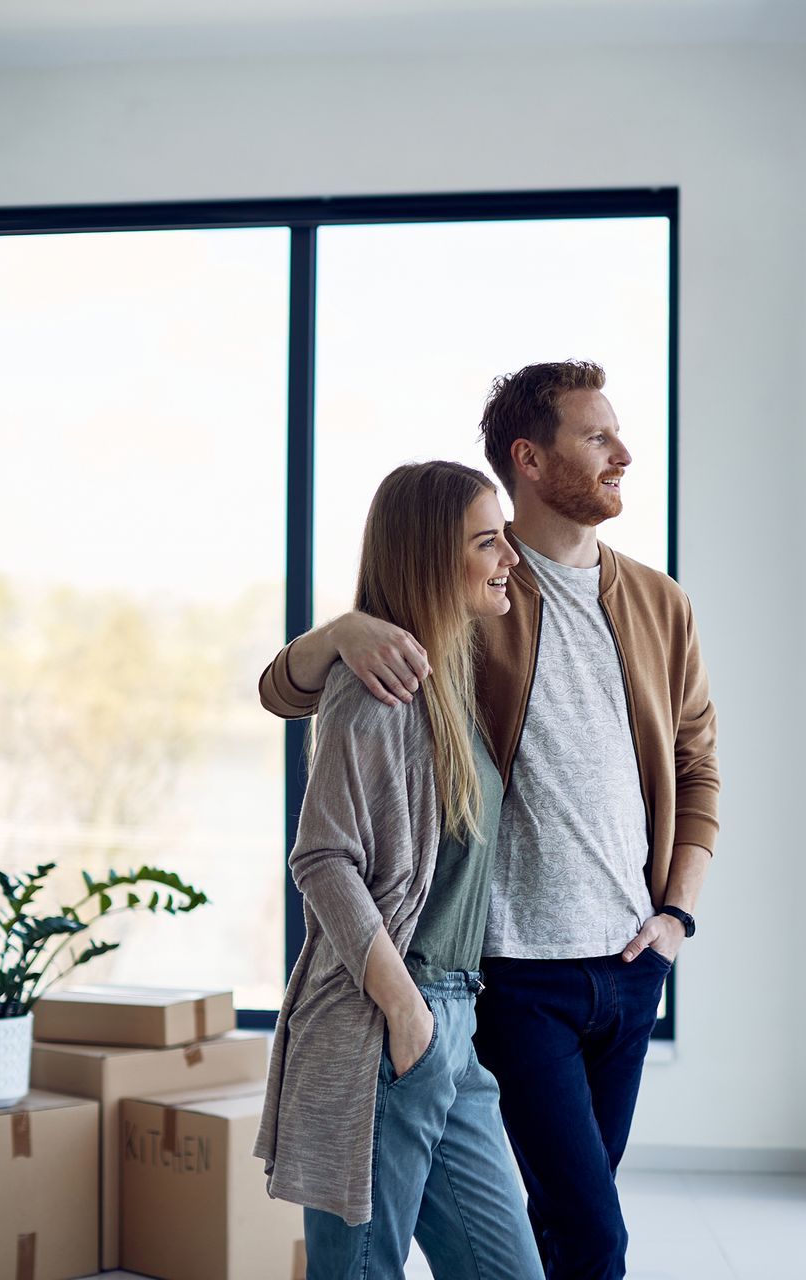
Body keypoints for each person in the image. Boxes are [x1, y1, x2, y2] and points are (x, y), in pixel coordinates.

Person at [258, 360, 720, 1280]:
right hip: (495, 978)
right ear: (532, 459)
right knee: (586, 1234)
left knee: (563, 1224)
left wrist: (675, 918)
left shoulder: (660, 605)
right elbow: (293, 702)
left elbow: (697, 767)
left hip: (623, 968)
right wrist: (339, 632)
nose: (623, 453)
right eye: (597, 437)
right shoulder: (475, 606)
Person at [253, 460, 541, 1280]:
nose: (508, 559)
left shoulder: (448, 673)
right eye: (488, 542)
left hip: (453, 1023)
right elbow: (322, 858)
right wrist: (407, 1014)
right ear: (429, 559)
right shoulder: (374, 689)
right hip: (389, 1021)